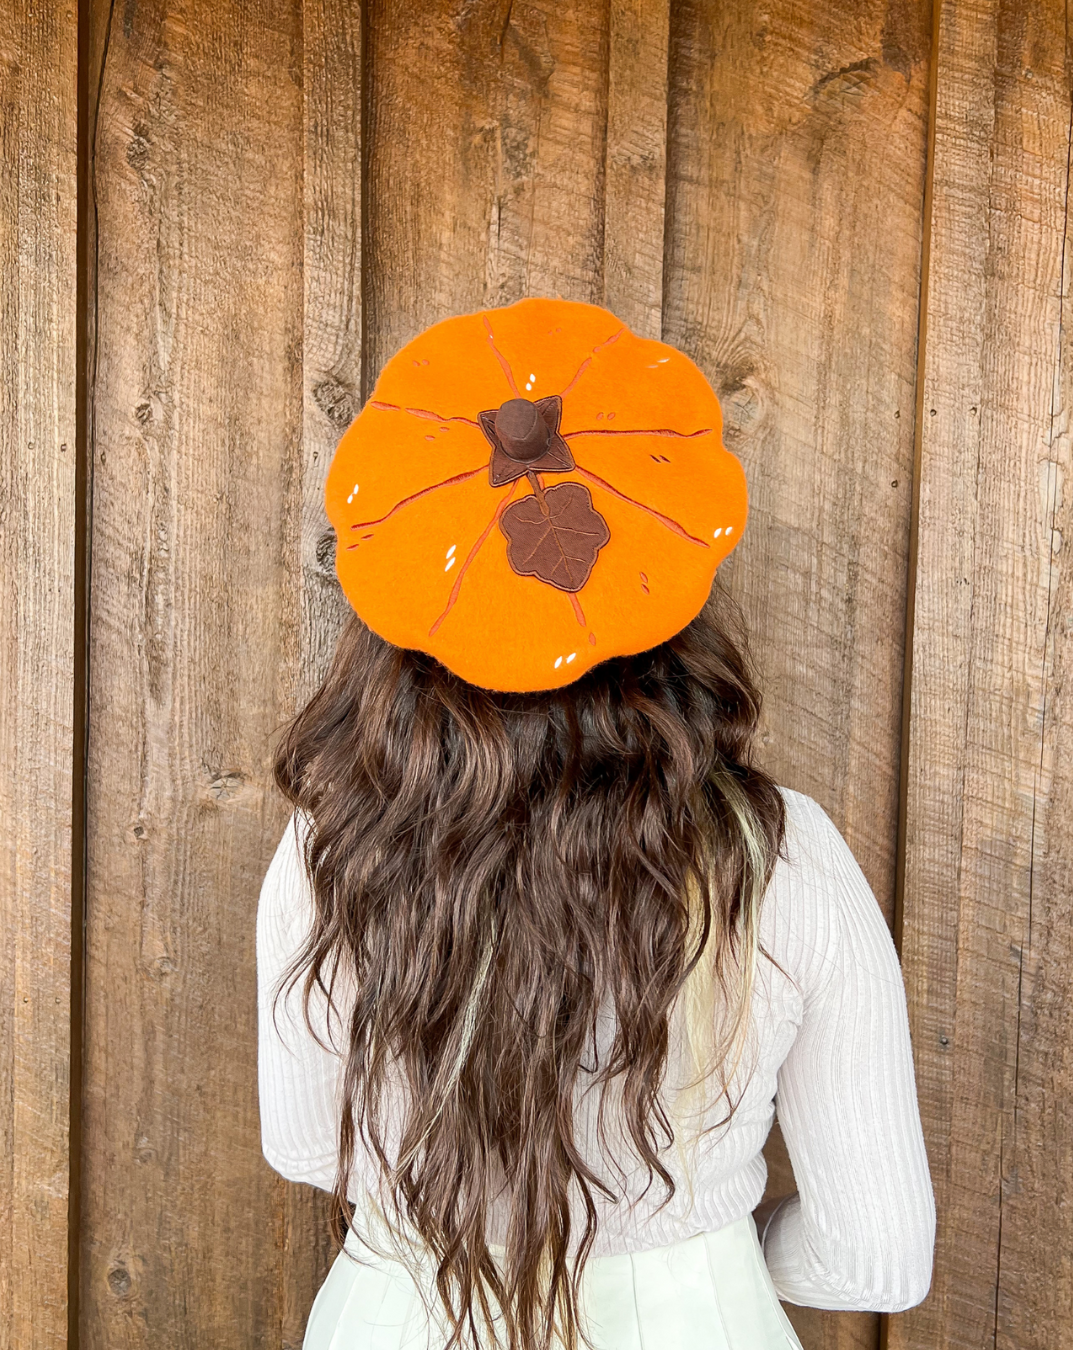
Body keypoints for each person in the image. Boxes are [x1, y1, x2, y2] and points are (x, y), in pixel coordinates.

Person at [256, 299, 936, 1350]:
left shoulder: (332, 848)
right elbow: (877, 1252)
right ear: (670, 591)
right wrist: (697, 1246)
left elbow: (307, 1147)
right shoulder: (786, 859)